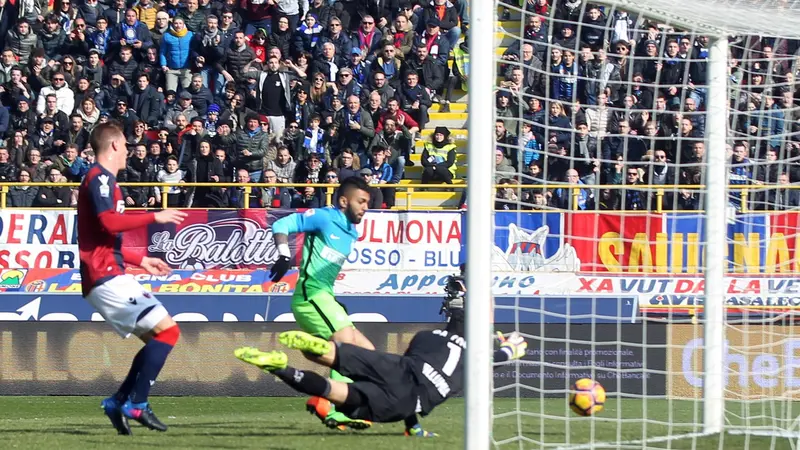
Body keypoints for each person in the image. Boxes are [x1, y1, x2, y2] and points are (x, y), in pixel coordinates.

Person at [234, 272, 527, 436]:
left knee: (342, 358)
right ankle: (282, 368)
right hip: (407, 398)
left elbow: (477, 358)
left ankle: (318, 352)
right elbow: (483, 364)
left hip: (404, 364)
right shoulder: (471, 353)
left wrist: (499, 348)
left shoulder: (428, 337)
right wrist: (507, 352)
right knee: (333, 390)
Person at [77, 121, 187, 435]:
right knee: (168, 332)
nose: (128, 150)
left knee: (159, 336)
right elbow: (109, 223)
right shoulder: (99, 178)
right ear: (113, 145)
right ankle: (135, 402)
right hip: (104, 275)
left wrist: (141, 259)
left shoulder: (106, 181)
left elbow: (103, 237)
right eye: (125, 144)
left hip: (108, 272)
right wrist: (155, 216)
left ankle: (119, 401)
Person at [268, 176, 377, 430]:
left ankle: (324, 399)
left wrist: (334, 306)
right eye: (360, 201)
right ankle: (339, 408)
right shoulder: (325, 216)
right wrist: (284, 255)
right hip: (310, 296)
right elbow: (282, 223)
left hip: (325, 297)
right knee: (345, 342)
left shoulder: (352, 231)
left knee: (368, 353)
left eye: (367, 203)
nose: (365, 207)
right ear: (342, 201)